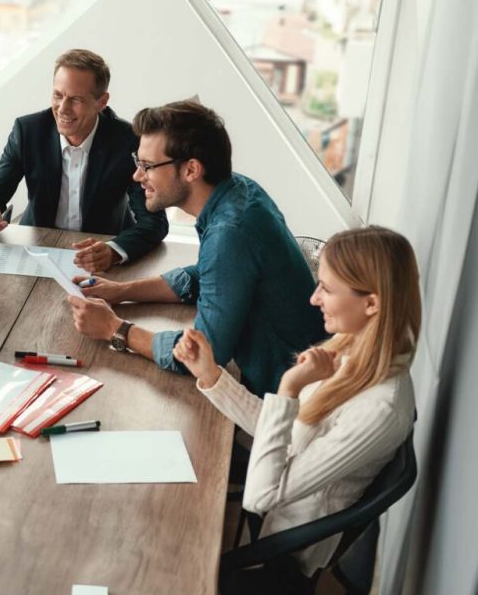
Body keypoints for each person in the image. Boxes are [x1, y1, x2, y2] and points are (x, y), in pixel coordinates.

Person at [173, 226, 419, 590]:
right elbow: (284, 432)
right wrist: (211, 376)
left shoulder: (380, 408)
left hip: (279, 557)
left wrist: (290, 387)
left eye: (328, 289)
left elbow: (259, 497)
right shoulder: (348, 352)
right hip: (270, 516)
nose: (314, 298)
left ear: (372, 303)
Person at [68, 100, 326, 396]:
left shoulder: (230, 233)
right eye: (137, 163)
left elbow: (202, 354)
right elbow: (208, 273)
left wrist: (115, 329)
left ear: (191, 169)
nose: (137, 176)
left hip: (280, 394)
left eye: (147, 166)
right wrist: (122, 291)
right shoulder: (239, 191)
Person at [0, 49, 168, 272]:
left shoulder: (127, 140)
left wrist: (113, 250)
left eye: (75, 99)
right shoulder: (28, 131)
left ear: (102, 101)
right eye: (58, 95)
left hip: (100, 254)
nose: (62, 108)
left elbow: (154, 223)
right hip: (36, 250)